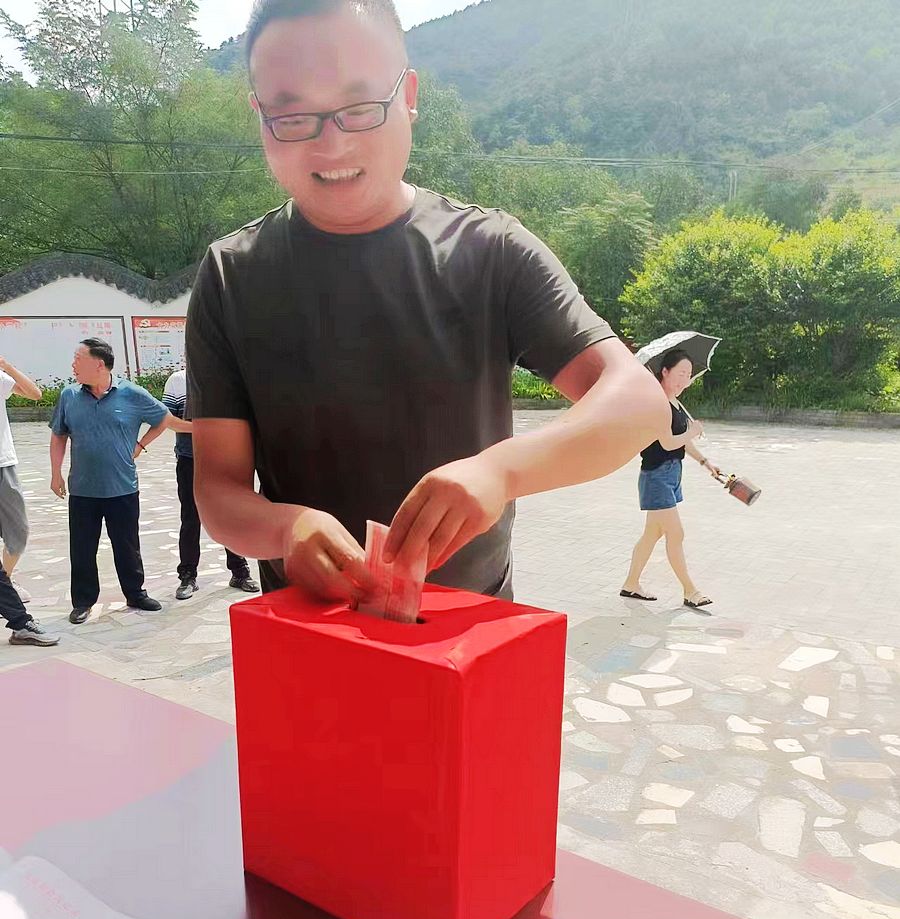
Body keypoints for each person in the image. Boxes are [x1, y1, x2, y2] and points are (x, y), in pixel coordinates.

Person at [186, 0, 668, 606]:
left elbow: (637, 402)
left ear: (408, 95)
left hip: (471, 628)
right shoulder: (232, 276)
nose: (332, 143)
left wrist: (501, 471)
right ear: (260, 116)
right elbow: (218, 489)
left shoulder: (490, 250)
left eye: (360, 108)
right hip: (309, 629)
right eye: (293, 116)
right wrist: (285, 529)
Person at [49, 338, 191, 624]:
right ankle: (83, 601)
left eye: (79, 359)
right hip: (83, 489)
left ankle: (135, 593)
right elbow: (58, 435)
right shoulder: (69, 396)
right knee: (82, 548)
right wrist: (55, 473)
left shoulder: (131, 394)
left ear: (99, 364)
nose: (73, 365)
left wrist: (140, 445)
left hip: (122, 487)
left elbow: (163, 419)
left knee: (127, 545)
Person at [620, 349, 721, 609]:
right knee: (676, 533)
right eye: (680, 373)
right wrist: (692, 431)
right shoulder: (657, 405)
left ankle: (631, 584)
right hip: (656, 476)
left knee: (652, 534)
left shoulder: (675, 403)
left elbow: (682, 444)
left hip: (671, 473)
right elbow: (667, 443)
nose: (684, 380)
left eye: (688, 375)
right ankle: (690, 591)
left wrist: (706, 462)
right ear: (664, 372)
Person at [161, 366, 260, 600]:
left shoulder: (228, 377)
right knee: (190, 517)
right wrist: (201, 429)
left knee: (230, 516)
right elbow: (166, 420)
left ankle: (240, 571)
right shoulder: (178, 380)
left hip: (225, 458)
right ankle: (187, 575)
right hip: (190, 459)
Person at [0, 354, 41, 602]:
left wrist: (7, 367)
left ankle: (5, 582)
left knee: (18, 529)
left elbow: (34, 394)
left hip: (3, 464)